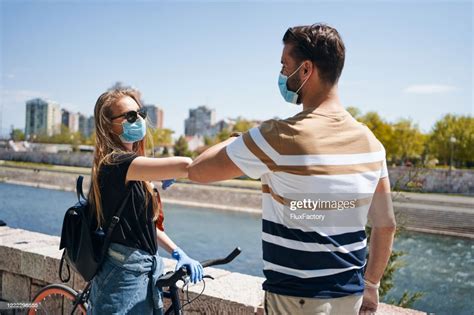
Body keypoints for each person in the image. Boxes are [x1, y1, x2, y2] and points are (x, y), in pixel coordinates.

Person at [188, 23, 396, 315]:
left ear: (306, 70)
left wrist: (239, 139)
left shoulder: (278, 136)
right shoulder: (371, 143)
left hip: (296, 299)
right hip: (350, 297)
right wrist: (371, 284)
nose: (282, 75)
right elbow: (385, 225)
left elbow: (198, 170)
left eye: (285, 65)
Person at [87, 88, 203, 315]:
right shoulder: (117, 162)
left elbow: (144, 226)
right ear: (109, 125)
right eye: (130, 116)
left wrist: (178, 252)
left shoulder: (132, 169)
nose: (138, 119)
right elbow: (186, 164)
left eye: (141, 113)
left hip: (145, 269)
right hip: (123, 275)